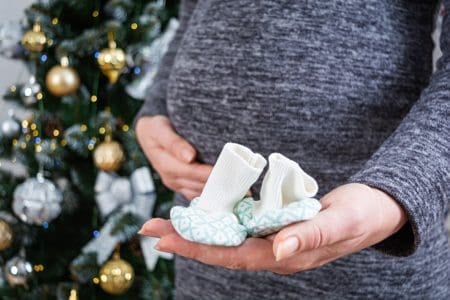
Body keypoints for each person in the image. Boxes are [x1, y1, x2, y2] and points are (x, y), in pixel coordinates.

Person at [135, 1, 450, 299]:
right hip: (204, 271)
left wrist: (395, 192)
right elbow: (193, 17)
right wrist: (155, 109)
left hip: (367, 266)